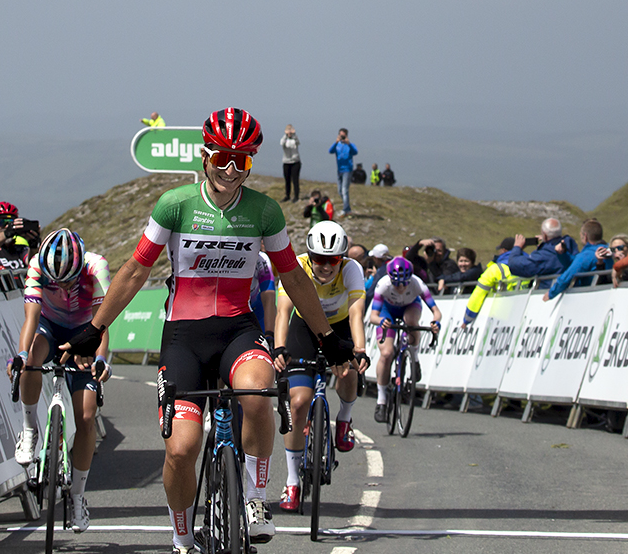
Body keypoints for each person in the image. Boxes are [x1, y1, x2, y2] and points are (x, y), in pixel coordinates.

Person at [59, 108, 353, 553]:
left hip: (237, 328)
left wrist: (328, 339)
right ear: (205, 157)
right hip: (184, 337)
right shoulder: (175, 204)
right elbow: (137, 271)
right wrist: (93, 328)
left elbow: (293, 277)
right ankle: (181, 538)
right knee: (181, 449)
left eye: (243, 161)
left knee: (256, 392)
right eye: (222, 159)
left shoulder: (263, 211)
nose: (232, 171)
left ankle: (255, 501)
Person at [8, 229, 111, 533]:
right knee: (31, 360)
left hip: (85, 330)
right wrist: (21, 354)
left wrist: (101, 358)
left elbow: (102, 320)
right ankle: (29, 430)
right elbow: (31, 318)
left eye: (69, 280)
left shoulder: (96, 266)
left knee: (87, 417)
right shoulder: (38, 265)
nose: (64, 285)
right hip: (50, 328)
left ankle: (78, 497)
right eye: (58, 281)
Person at [272, 221, 368, 511]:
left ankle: (345, 419)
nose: (326, 266)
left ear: (342, 258)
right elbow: (283, 312)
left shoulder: (352, 270)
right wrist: (279, 348)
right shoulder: (296, 266)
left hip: (338, 327)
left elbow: (355, 313)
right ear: (310, 256)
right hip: (305, 327)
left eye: (333, 260)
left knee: (348, 369)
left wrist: (359, 350)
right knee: (298, 402)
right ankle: (292, 481)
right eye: (319, 260)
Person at [369, 257, 441, 424]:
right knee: (386, 353)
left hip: (410, 306)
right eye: (397, 284)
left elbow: (436, 312)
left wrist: (435, 322)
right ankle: (381, 401)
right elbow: (373, 316)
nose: (401, 287)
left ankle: (414, 359)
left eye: (404, 283)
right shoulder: (383, 285)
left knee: (411, 323)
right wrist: (381, 321)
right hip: (387, 310)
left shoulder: (417, 283)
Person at [460, 239, 526, 325]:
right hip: (518, 317)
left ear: (504, 250)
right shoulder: (526, 266)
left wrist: (467, 319)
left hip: (494, 317)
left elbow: (478, 294)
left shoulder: (495, 269)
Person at [543, 219, 611, 301]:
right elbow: (575, 262)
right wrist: (563, 254)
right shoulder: (607, 250)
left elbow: (569, 274)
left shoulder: (587, 255)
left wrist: (551, 293)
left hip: (589, 298)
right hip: (606, 294)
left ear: (585, 236)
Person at [506, 218, 577, 280]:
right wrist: (545, 245)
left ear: (545, 235)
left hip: (546, 291)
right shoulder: (570, 246)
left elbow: (514, 265)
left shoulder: (545, 255)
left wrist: (517, 247)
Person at [328, 128, 358, 216]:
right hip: (339, 169)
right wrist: (336, 142)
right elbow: (330, 151)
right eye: (341, 135)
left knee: (345, 189)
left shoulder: (350, 145)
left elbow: (355, 152)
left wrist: (349, 143)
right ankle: (347, 208)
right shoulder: (337, 145)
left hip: (347, 169)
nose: (342, 137)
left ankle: (345, 210)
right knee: (340, 191)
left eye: (343, 136)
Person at [280, 124, 301, 202]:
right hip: (286, 162)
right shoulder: (284, 139)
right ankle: (287, 195)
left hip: (295, 162)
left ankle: (296, 196)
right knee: (287, 180)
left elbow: (297, 142)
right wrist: (286, 135)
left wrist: (294, 134)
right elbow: (282, 143)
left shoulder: (295, 139)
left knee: (295, 180)